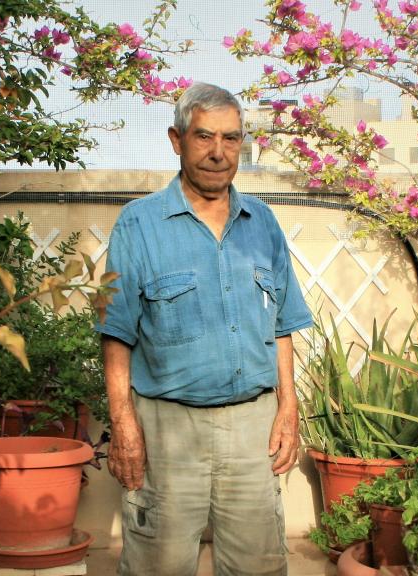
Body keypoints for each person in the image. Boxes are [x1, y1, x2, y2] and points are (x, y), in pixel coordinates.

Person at [96, 82, 314, 576]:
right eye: (204, 137)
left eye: (231, 139)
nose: (218, 153)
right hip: (167, 429)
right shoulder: (138, 225)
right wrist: (124, 425)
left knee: (257, 565)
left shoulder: (263, 223)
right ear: (177, 140)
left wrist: (288, 407)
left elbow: (283, 324)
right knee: (159, 565)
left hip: (251, 429)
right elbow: (116, 333)